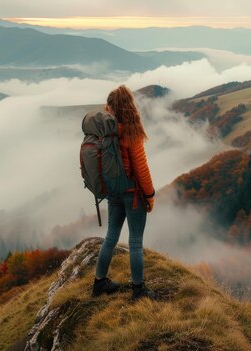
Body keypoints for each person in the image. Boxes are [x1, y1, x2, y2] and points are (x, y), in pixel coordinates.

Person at [92, 84, 157, 301]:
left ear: (112, 108)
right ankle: (138, 290)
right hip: (132, 193)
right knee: (135, 242)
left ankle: (99, 282)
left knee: (110, 237)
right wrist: (149, 194)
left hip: (113, 192)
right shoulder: (131, 131)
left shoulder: (105, 132)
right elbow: (140, 167)